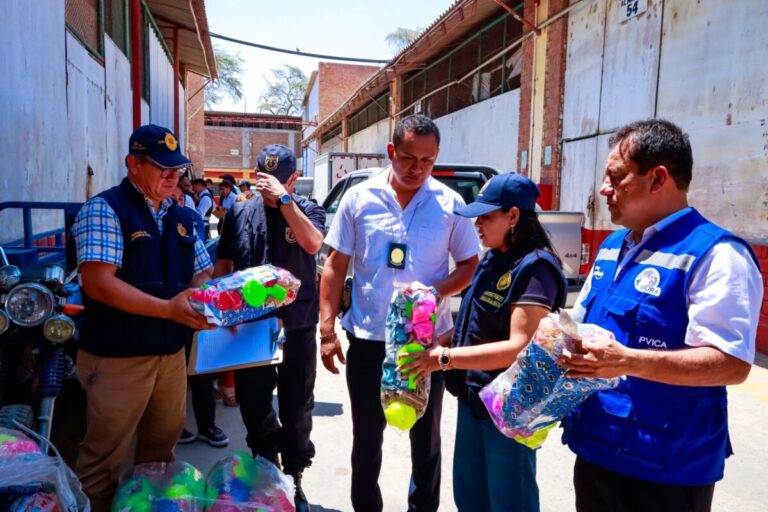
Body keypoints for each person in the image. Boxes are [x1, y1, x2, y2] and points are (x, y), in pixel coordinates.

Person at [559, 119, 763, 512]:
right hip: (598, 449)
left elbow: (731, 363)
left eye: (616, 178)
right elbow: (582, 322)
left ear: (658, 179)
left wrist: (628, 361)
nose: (604, 189)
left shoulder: (717, 255)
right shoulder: (613, 246)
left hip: (665, 467)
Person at [319, 115, 481, 512]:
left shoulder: (449, 203)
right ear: (391, 151)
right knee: (367, 438)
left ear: (436, 157)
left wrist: (434, 291)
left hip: (425, 347)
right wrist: (326, 330)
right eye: (408, 158)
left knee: (425, 442)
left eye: (427, 160)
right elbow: (336, 265)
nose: (417, 168)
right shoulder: (360, 198)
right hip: (370, 340)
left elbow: (468, 264)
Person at [400, 173, 566, 512]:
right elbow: (472, 325)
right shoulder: (492, 260)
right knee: (471, 497)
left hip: (509, 410)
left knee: (509, 501)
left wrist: (442, 358)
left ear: (514, 216)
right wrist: (434, 342)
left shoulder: (535, 269)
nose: (477, 224)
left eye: (486, 216)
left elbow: (518, 347)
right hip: (474, 399)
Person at [71, 124, 213, 511]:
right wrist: (169, 308)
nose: (173, 177)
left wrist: (204, 298)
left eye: (178, 169)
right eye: (162, 168)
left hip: (169, 357)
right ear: (132, 164)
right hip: (119, 358)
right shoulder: (106, 209)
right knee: (104, 461)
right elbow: (98, 283)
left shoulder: (182, 216)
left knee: (159, 457)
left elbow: (202, 270)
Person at [215, 144, 325, 512]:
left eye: (279, 182)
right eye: (265, 181)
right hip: (250, 330)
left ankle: (296, 479)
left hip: (297, 327)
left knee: (297, 407)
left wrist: (284, 202)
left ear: (293, 179)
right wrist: (222, 313)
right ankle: (267, 475)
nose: (269, 189)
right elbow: (225, 264)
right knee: (255, 406)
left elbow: (313, 243)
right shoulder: (240, 210)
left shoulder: (307, 210)